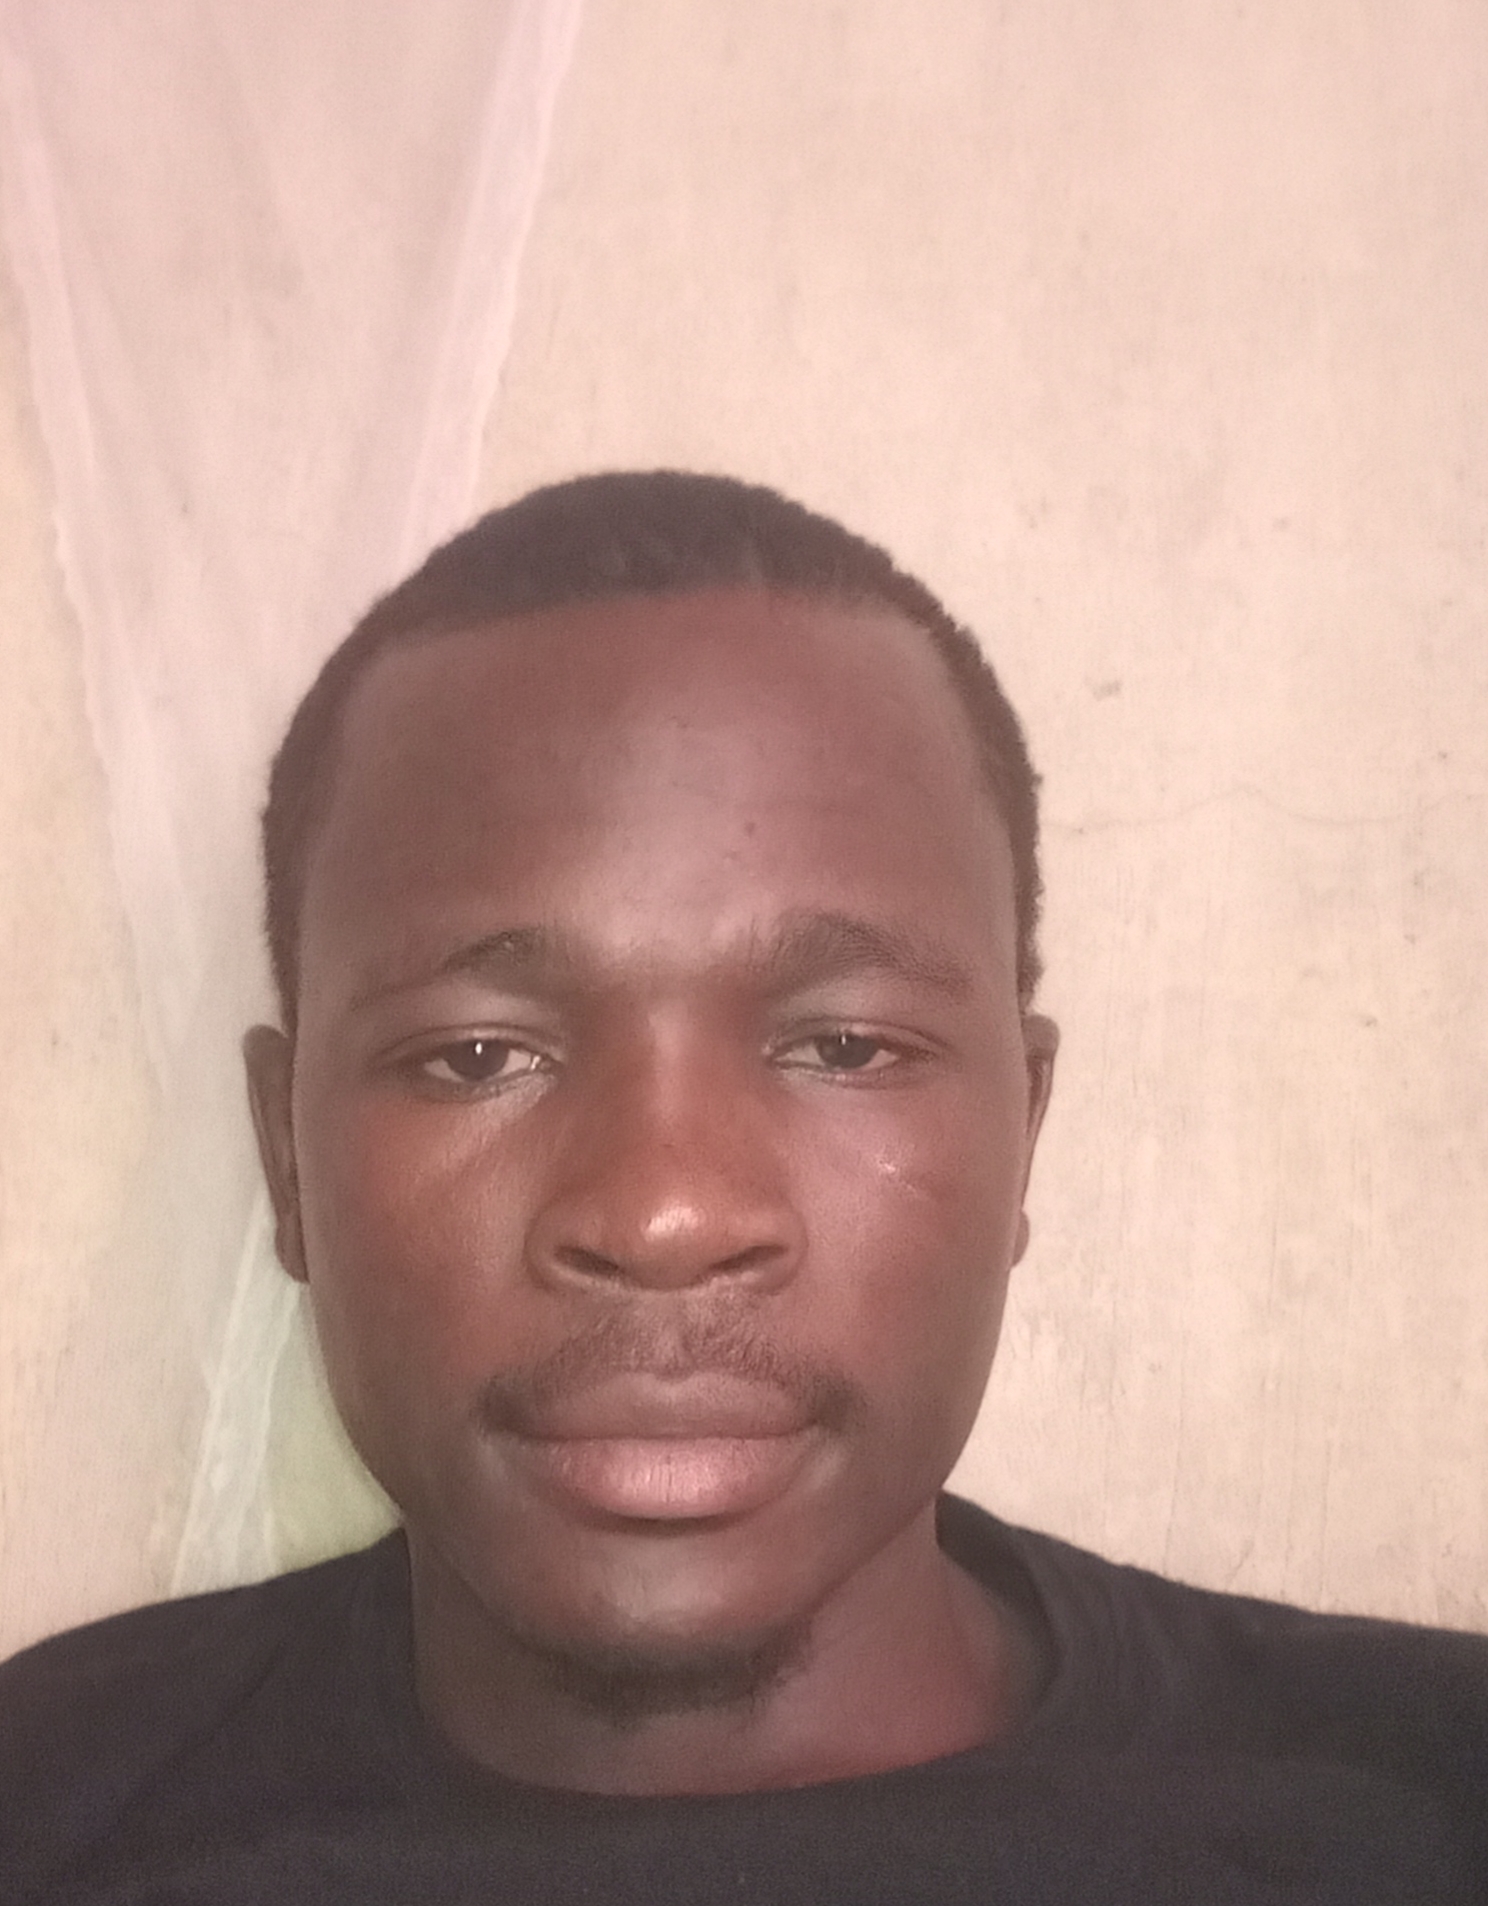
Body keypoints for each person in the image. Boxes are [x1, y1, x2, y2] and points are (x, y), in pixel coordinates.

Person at [2, 472, 1483, 1904]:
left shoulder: (1420, 1809)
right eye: (476, 1056)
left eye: (844, 1046)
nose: (665, 1217)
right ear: (287, 1155)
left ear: (1025, 1129)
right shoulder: (49, 1806)